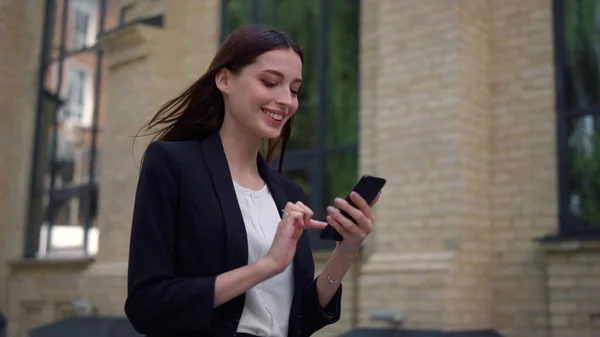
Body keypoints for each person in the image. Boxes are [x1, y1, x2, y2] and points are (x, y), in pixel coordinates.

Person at [124, 24, 381, 337]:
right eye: (270, 82)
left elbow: (300, 319)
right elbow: (146, 305)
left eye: (294, 89)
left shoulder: (287, 193)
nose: (286, 100)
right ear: (225, 79)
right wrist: (266, 265)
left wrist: (347, 249)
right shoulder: (172, 164)